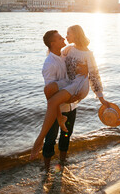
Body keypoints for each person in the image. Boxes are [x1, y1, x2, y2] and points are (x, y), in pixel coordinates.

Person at [30, 25, 110, 160]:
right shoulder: (67, 50)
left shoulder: (87, 54)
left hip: (78, 87)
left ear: (76, 35)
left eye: (67, 34)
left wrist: (101, 98)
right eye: (62, 36)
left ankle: (49, 150)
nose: (65, 37)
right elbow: (52, 55)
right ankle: (46, 150)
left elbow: (95, 75)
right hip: (68, 89)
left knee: (65, 133)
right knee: (50, 95)